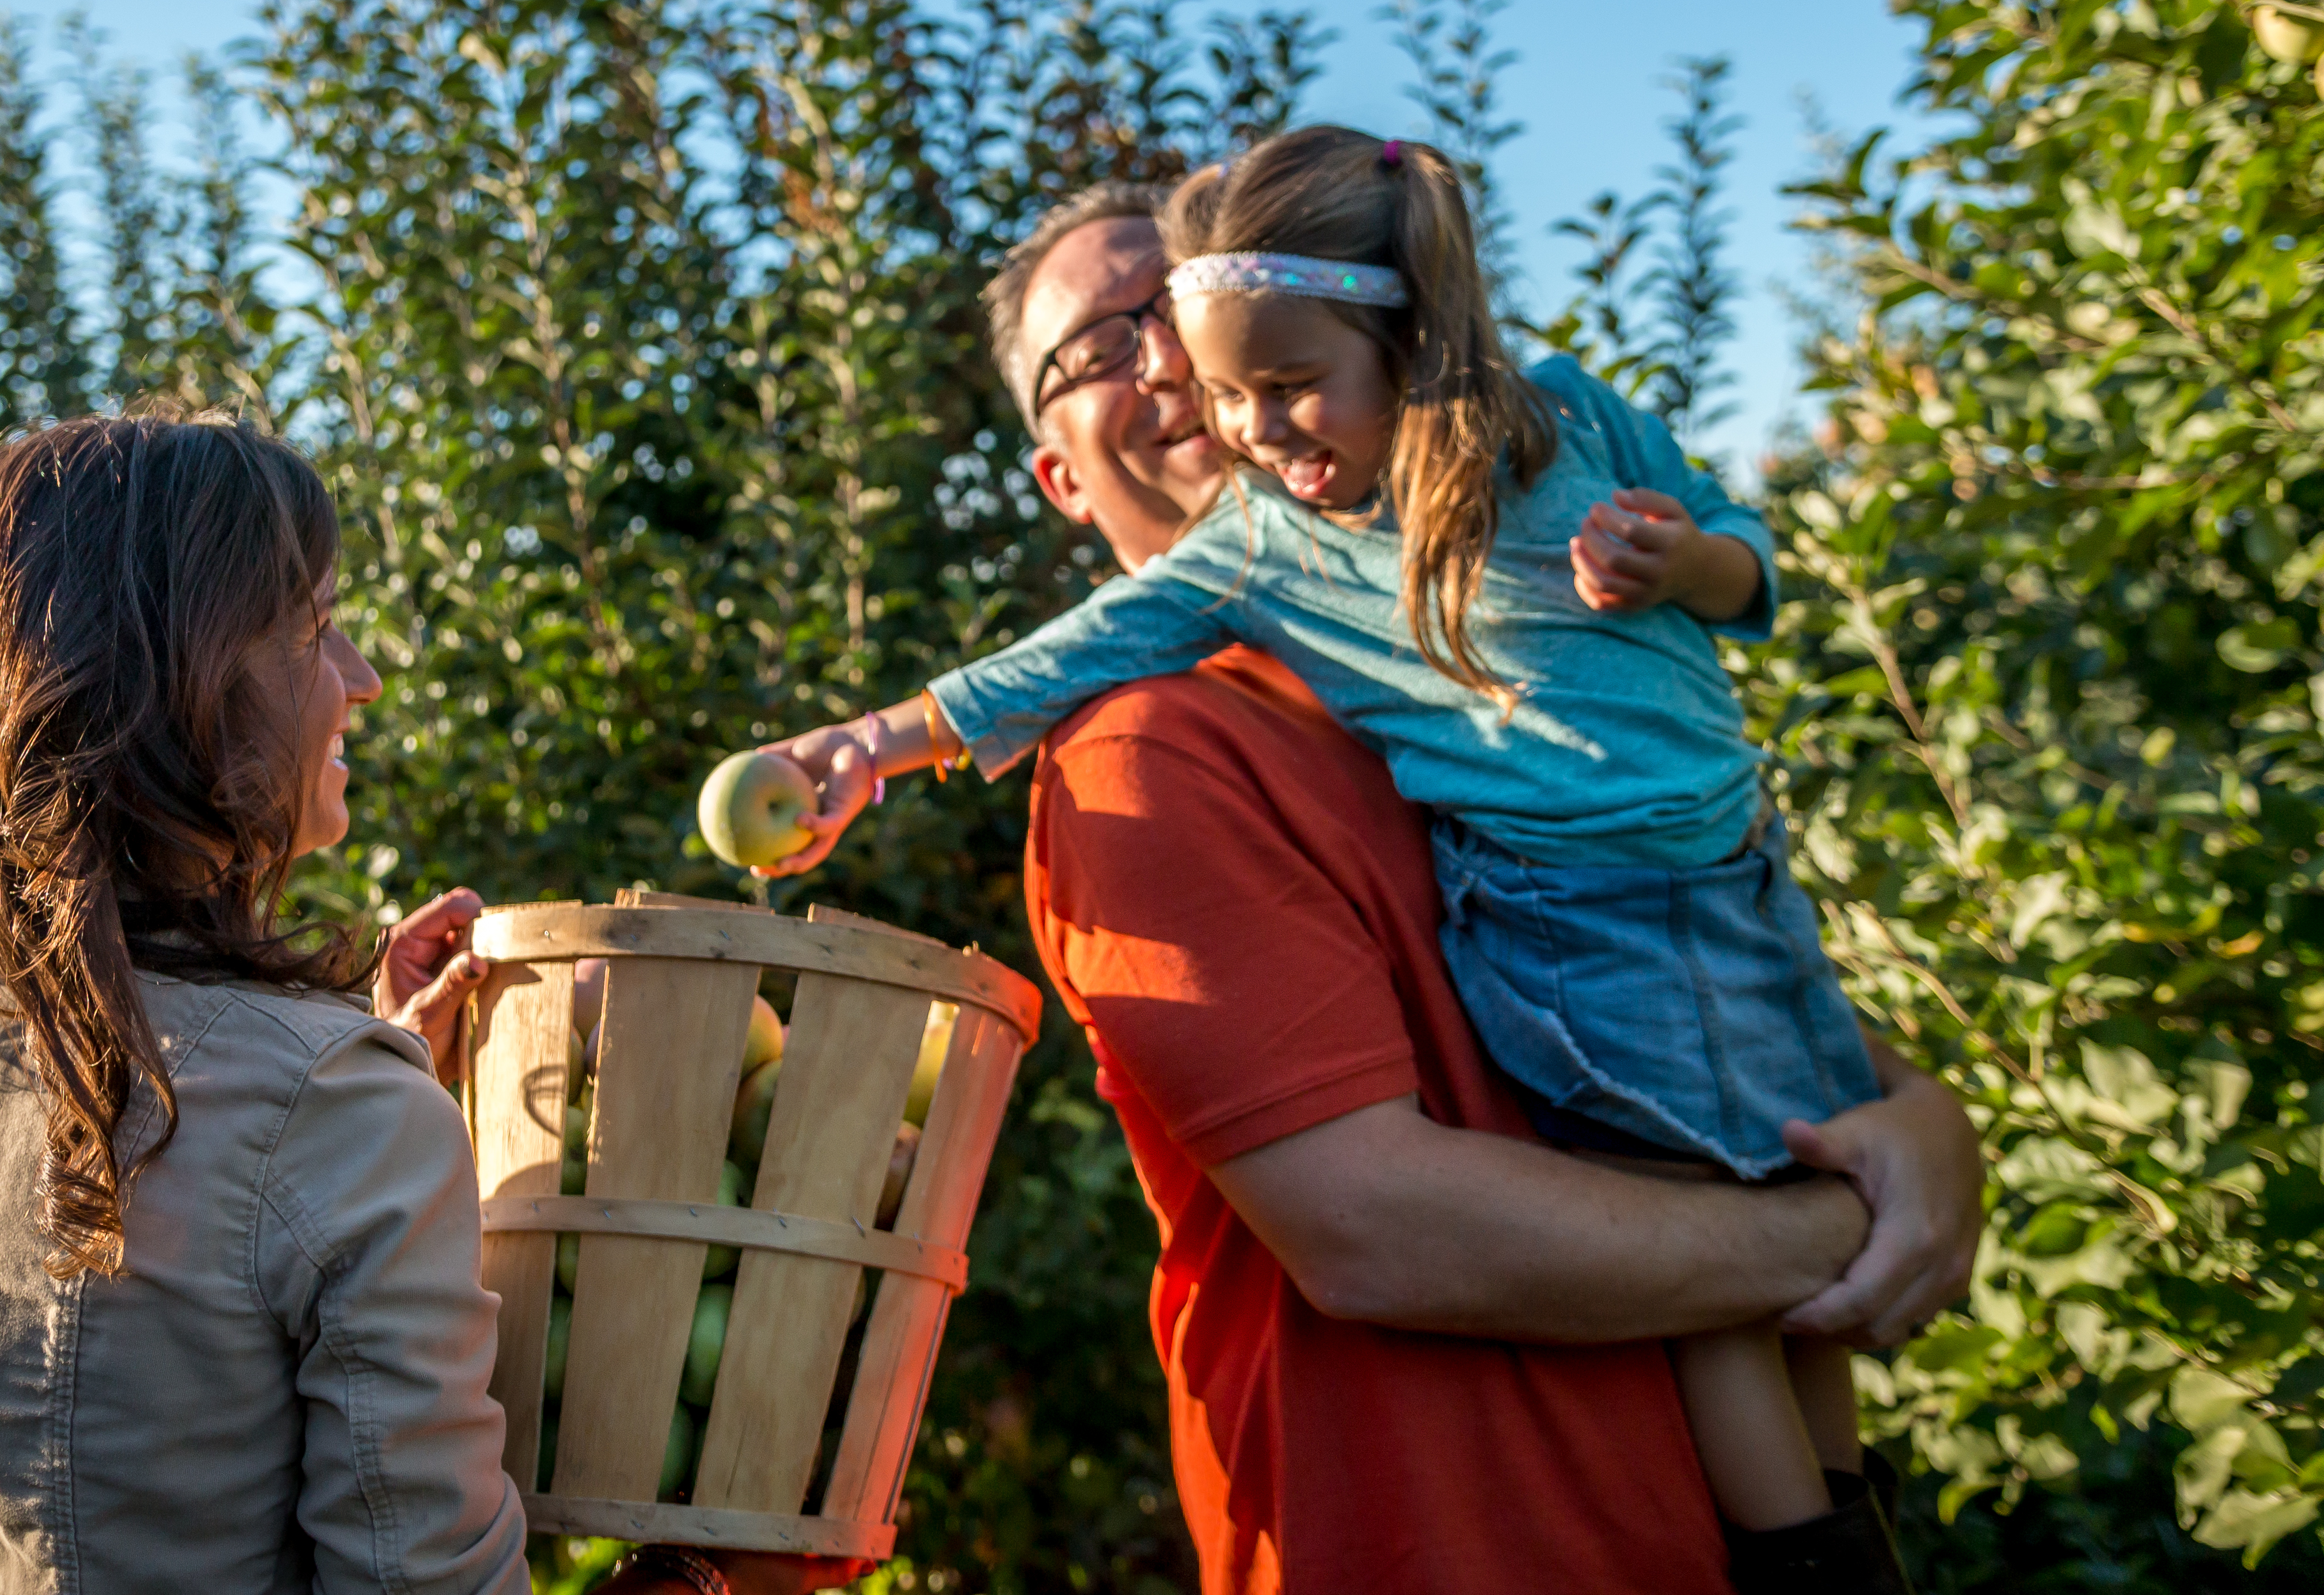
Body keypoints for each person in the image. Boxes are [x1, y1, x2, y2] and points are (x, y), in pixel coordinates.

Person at [754, 174, 1983, 1591]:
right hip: (1454, 1544)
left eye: (1182, 305)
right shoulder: (1151, 752)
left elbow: (1698, 979)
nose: (1168, 361)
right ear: (1063, 480)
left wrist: (1919, 1117)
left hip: (1671, 1532)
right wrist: (1852, 1222)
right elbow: (1382, 1232)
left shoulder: (1449, 681)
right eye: (1105, 344)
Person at [0, 413, 851, 1595]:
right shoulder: (333, 1113)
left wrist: (363, 1072)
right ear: (178, 684)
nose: (363, 677)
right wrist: (717, 1579)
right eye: (312, 631)